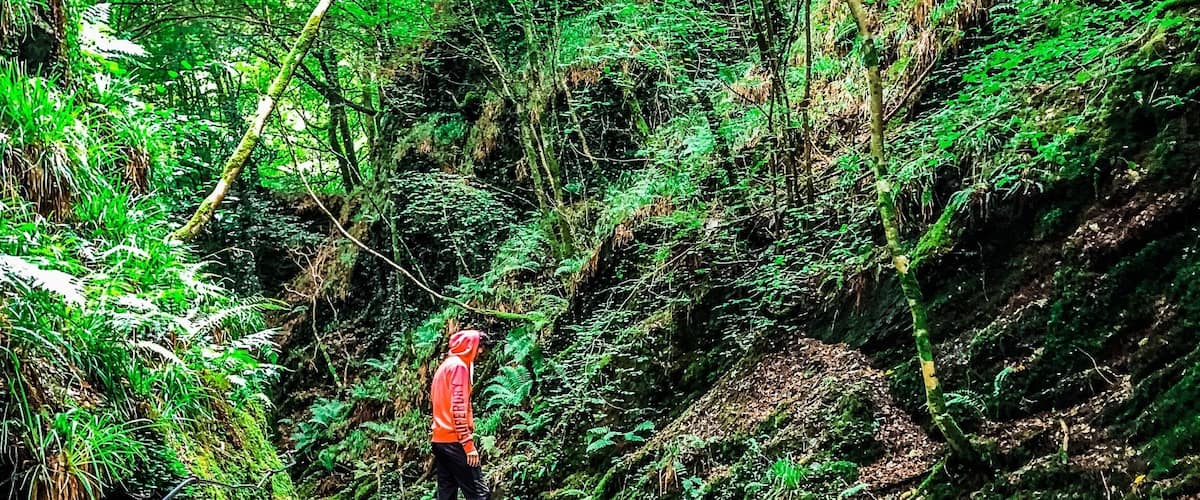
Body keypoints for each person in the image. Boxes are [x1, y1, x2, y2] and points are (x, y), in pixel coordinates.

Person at [430, 329, 490, 500]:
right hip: (455, 441)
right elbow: (457, 408)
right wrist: (468, 445)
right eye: (480, 347)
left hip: (440, 441)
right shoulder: (459, 367)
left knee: (447, 494)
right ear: (471, 345)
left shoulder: (445, 367)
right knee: (479, 494)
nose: (481, 352)